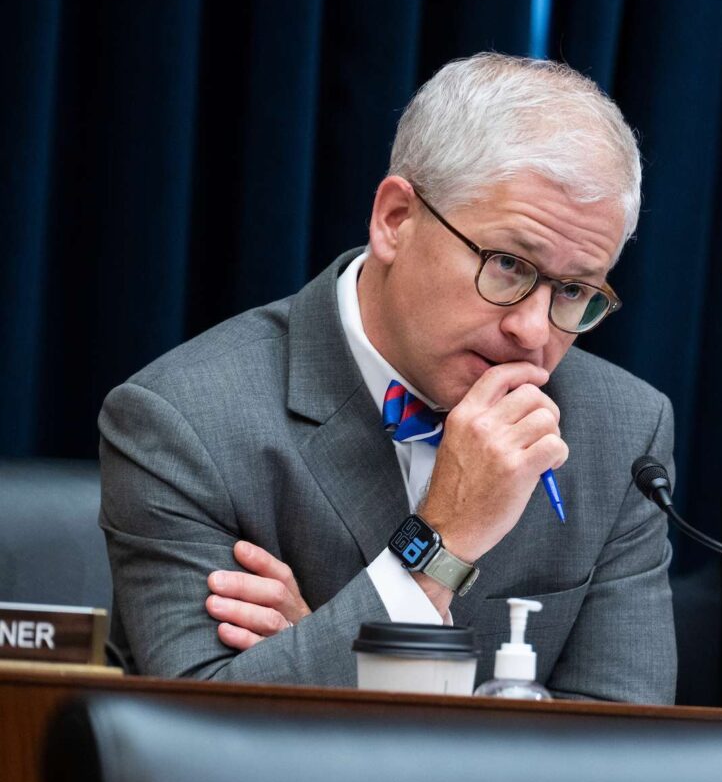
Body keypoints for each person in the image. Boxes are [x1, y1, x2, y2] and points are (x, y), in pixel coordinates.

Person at [99, 53, 676, 701]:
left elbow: (620, 768)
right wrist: (439, 547)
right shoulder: (185, 423)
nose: (535, 332)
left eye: (575, 290)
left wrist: (330, 668)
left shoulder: (622, 432)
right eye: (510, 265)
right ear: (396, 220)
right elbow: (196, 743)